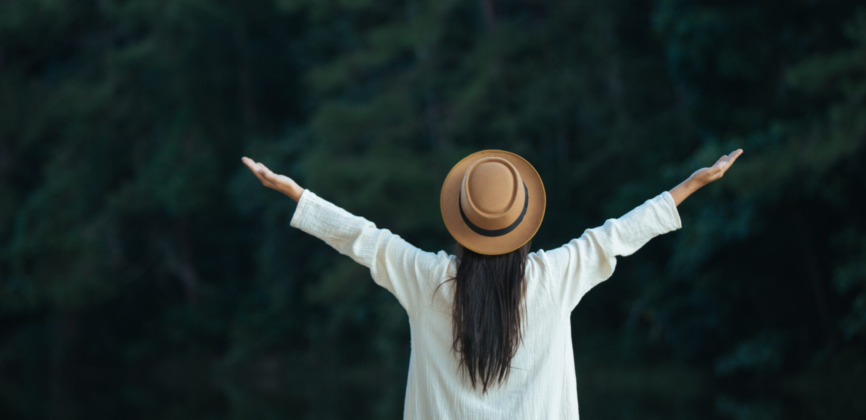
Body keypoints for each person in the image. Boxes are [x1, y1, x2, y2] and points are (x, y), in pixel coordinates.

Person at [241, 148, 742, 419]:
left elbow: (362, 238)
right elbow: (616, 237)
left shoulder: (428, 280)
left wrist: (296, 194)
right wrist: (691, 185)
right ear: (522, 226)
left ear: (462, 224)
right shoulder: (555, 277)